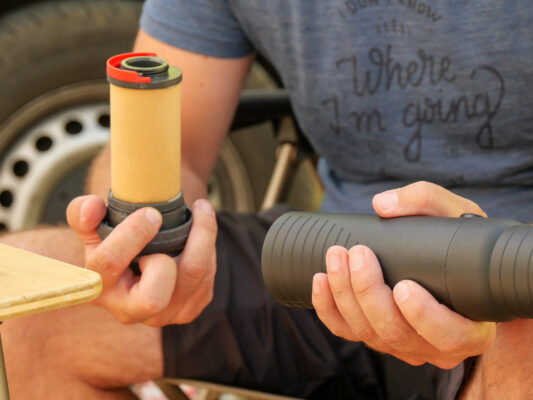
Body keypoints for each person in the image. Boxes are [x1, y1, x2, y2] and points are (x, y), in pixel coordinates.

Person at [1, 0, 533, 398]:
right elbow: (170, 143)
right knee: (40, 315)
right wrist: (144, 250)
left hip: (511, 273)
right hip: (321, 262)